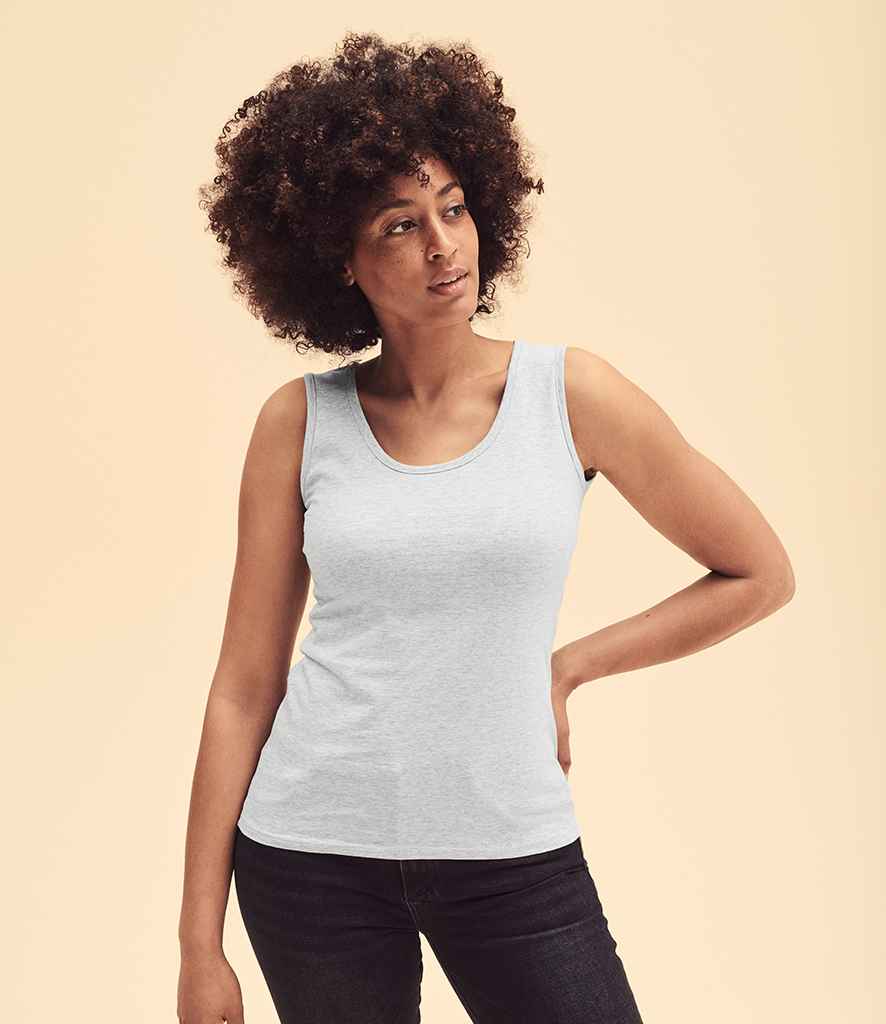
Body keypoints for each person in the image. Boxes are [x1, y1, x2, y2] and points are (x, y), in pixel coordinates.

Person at [177, 32, 795, 1024]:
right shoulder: (299, 422)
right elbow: (244, 688)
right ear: (339, 259)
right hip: (310, 857)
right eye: (400, 224)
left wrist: (569, 666)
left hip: (512, 855)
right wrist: (198, 946)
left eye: (454, 208)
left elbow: (758, 572)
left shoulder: (571, 394)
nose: (443, 245)